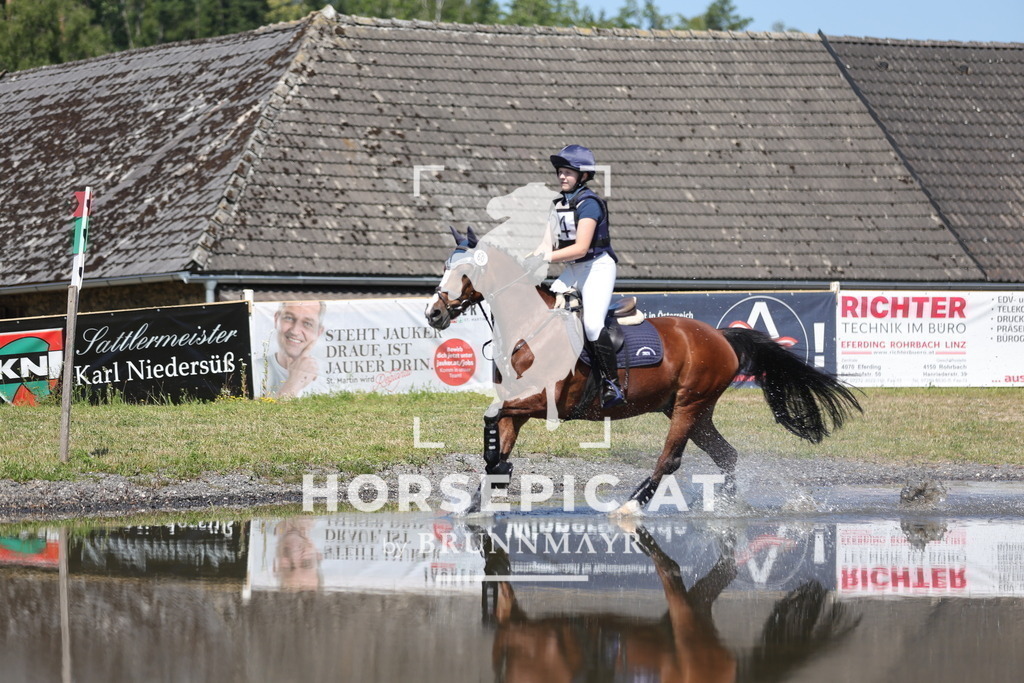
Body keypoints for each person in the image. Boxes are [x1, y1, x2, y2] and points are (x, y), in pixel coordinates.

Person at [541, 144, 624, 408]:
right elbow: (546, 246)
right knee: (545, 313)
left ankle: (612, 385)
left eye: (568, 172)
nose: (562, 177)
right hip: (574, 269)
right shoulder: (556, 204)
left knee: (591, 324)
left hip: (597, 267)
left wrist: (544, 258)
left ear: (583, 176)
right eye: (560, 172)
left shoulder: (589, 204)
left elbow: (581, 248)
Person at [261, 301, 326, 398]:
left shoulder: (330, 375)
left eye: (307, 323)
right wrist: (294, 382)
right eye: (289, 318)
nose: (295, 331)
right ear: (276, 320)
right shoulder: (252, 371)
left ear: (319, 332)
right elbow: (264, 413)